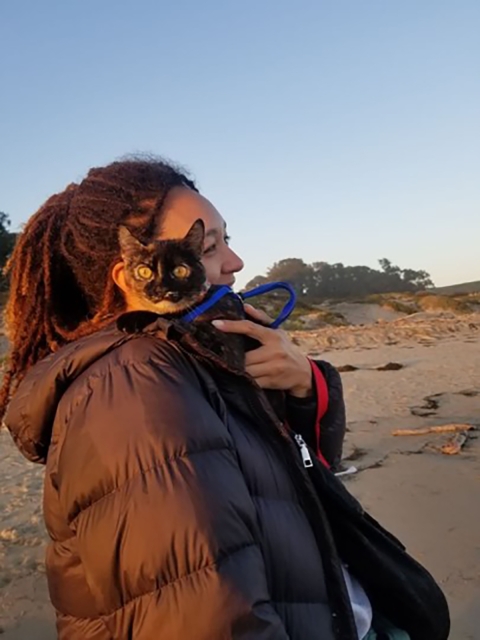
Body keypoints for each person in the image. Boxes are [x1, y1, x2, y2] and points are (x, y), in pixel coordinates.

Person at [1, 158, 449, 640]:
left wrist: (305, 387)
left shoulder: (197, 353)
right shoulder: (135, 385)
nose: (234, 262)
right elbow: (199, 612)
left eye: (222, 240)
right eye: (209, 247)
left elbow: (291, 486)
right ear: (127, 273)